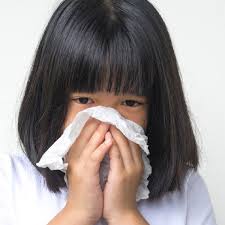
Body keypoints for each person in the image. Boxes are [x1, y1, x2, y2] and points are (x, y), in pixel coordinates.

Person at [0, 0, 217, 224]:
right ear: (51, 101)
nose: (107, 124)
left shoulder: (188, 191)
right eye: (84, 100)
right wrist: (78, 212)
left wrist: (124, 214)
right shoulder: (9, 182)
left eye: (130, 103)